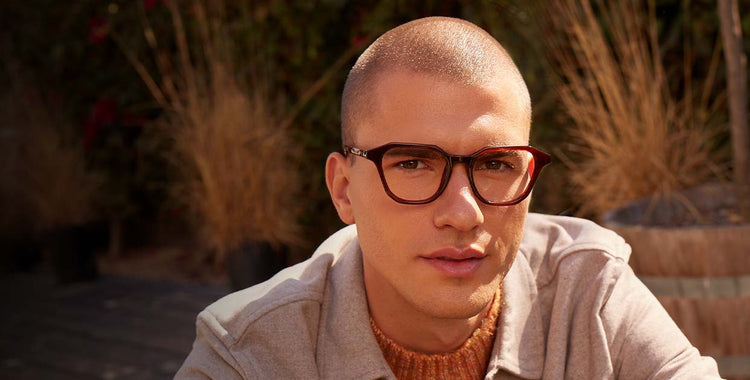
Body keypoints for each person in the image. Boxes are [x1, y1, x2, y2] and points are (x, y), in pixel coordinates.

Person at [176, 17, 721, 379]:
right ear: (344, 190)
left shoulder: (588, 293)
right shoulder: (249, 355)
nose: (464, 213)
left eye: (495, 164)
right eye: (412, 163)